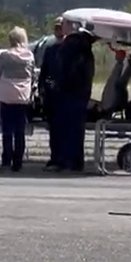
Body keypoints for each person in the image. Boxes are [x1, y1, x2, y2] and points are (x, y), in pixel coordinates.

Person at [0, 27, 35, 172]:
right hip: (23, 96)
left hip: (6, 95)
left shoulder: (4, 56)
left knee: (7, 130)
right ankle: (18, 162)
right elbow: (33, 76)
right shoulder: (29, 56)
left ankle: (6, 161)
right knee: (20, 131)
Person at [53, 25, 96, 172]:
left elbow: (66, 75)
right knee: (76, 131)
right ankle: (75, 162)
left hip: (69, 95)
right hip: (81, 96)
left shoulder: (71, 52)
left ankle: (67, 161)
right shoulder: (86, 54)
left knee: (67, 130)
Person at [37, 18, 66, 171]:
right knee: (53, 129)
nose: (58, 30)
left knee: (65, 129)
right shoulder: (50, 50)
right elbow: (44, 72)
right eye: (56, 27)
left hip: (66, 96)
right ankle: (54, 157)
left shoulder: (71, 50)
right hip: (51, 96)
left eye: (60, 27)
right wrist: (42, 89)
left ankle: (64, 159)